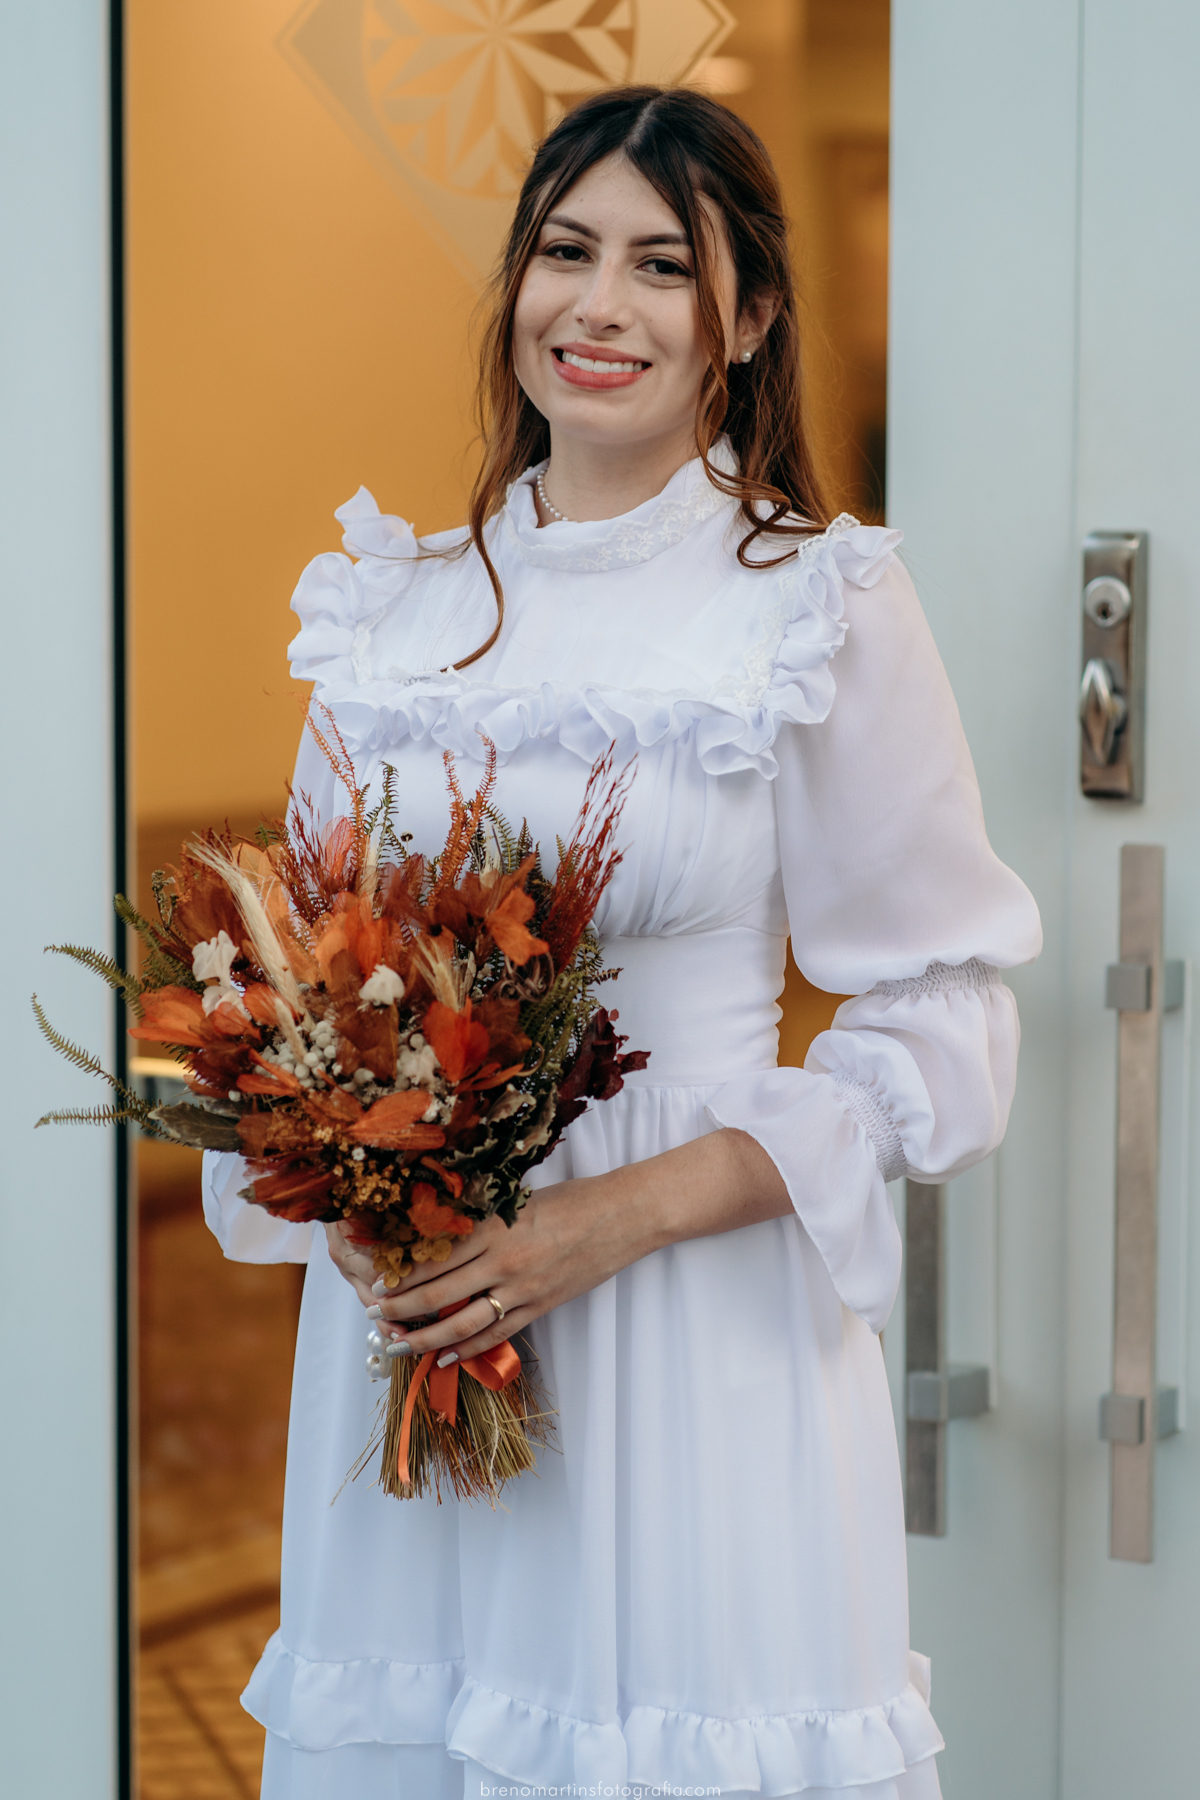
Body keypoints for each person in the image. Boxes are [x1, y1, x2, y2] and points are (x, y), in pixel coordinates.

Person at [202, 85, 1040, 1800]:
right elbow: (291, 985)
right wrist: (364, 1203)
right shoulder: (388, 613)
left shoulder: (816, 604)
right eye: (565, 250)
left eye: (665, 265)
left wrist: (609, 1218)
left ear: (747, 319)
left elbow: (943, 1007)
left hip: (700, 1336)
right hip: (420, 1344)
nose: (600, 306)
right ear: (511, 281)